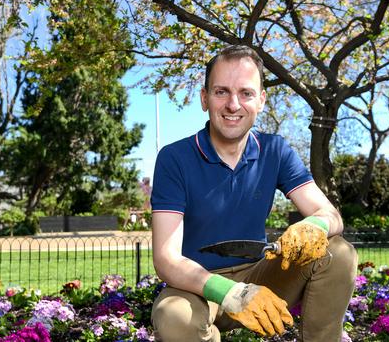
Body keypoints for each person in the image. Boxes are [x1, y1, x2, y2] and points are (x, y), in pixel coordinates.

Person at [150, 45, 358, 342]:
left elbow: (331, 216)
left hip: (262, 276)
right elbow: (166, 259)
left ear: (261, 100)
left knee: (337, 252)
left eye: (246, 93)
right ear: (204, 98)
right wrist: (231, 292)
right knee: (174, 317)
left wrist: (314, 225)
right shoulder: (174, 158)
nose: (233, 104)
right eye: (221, 91)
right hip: (196, 287)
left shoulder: (275, 150)